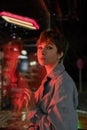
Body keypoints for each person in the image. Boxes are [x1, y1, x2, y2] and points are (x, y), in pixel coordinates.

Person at [27, 29, 78, 130]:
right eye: (40, 47)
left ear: (60, 54)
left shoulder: (62, 83)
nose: (42, 51)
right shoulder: (49, 79)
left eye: (49, 48)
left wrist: (33, 110)